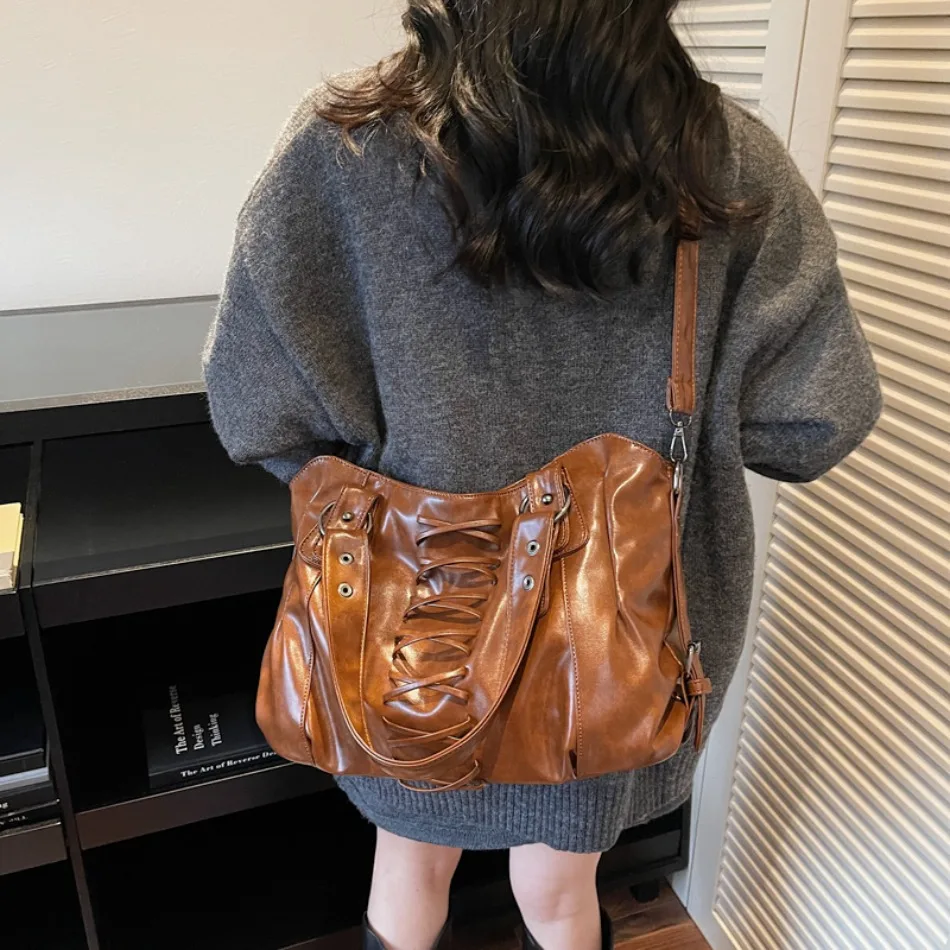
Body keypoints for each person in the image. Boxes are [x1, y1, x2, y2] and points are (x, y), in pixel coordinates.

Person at [202, 2, 883, 948]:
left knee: (406, 872)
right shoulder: (727, 162)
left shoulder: (344, 145)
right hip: (616, 655)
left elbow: (259, 410)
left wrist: (415, 473)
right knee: (562, 893)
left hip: (402, 640)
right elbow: (815, 422)